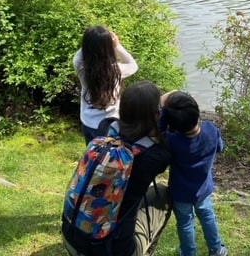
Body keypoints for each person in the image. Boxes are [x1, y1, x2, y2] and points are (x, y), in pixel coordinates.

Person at [62, 80, 172, 256]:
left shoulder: (105, 127)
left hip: (70, 238)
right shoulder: (156, 156)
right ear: (156, 114)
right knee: (163, 193)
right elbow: (163, 137)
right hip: (112, 251)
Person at [161, 90, 228, 256]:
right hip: (203, 189)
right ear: (197, 112)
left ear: (172, 123)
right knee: (207, 217)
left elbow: (159, 131)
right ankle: (216, 249)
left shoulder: (172, 140)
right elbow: (220, 147)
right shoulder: (211, 130)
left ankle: (188, 252)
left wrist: (163, 111)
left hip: (180, 192)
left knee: (185, 223)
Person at [73, 25, 139, 143]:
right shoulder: (116, 70)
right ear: (108, 48)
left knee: (93, 155)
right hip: (110, 124)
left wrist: (91, 41)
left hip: (88, 121)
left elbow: (78, 57)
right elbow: (133, 64)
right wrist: (117, 46)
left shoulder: (82, 69)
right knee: (109, 158)